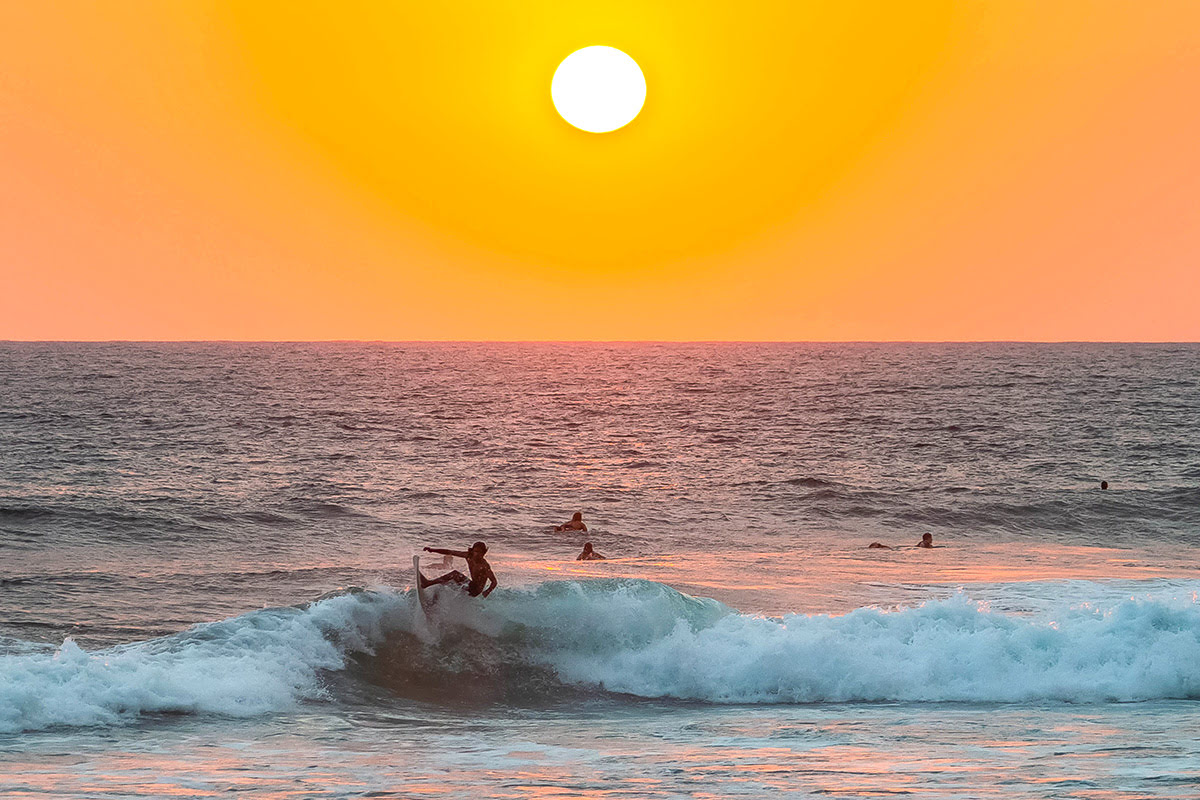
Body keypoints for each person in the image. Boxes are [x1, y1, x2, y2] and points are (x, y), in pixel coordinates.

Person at [420, 541, 497, 598]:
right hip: (469, 585)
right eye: (476, 551)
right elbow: (450, 552)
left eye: (480, 552)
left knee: (455, 574)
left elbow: (494, 581)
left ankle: (427, 583)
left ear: (483, 553)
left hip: (475, 591)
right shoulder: (468, 556)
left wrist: (487, 592)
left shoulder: (484, 565)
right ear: (472, 551)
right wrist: (432, 550)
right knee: (446, 583)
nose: (477, 554)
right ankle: (435, 600)